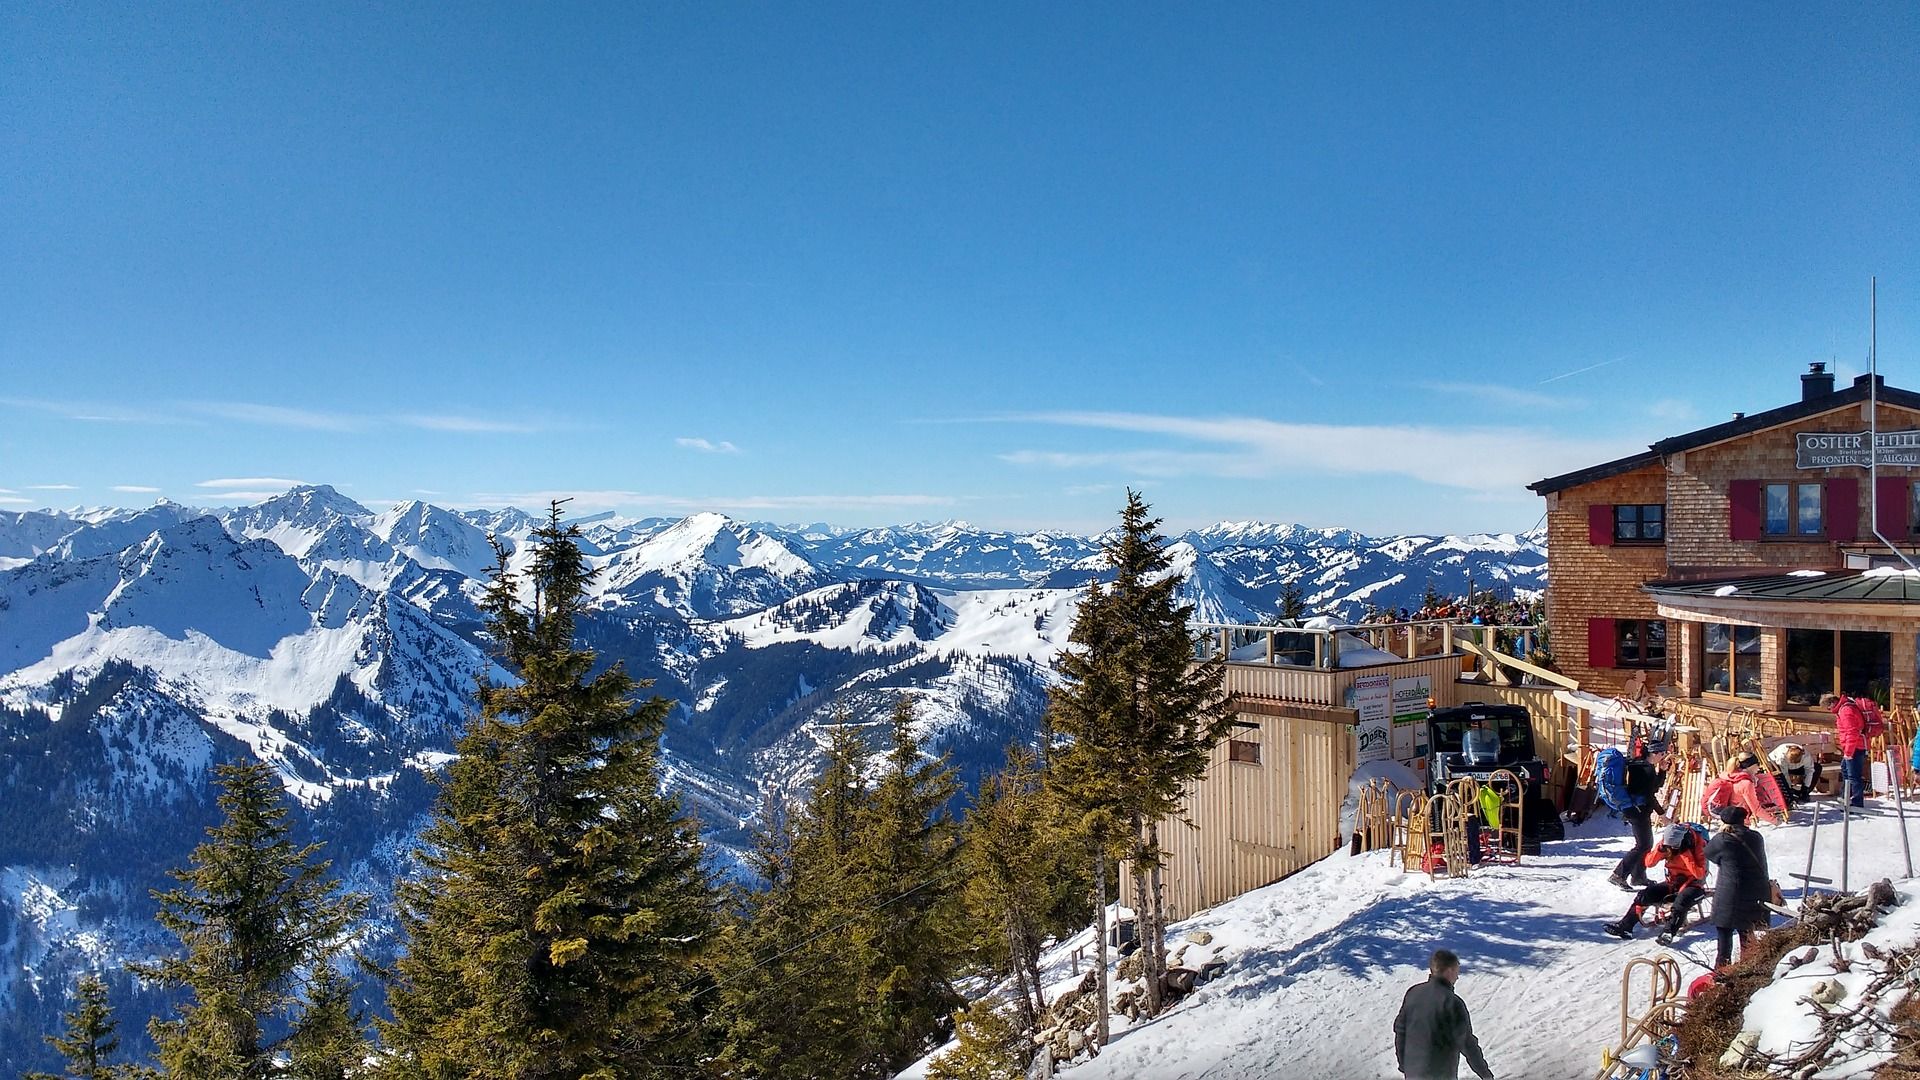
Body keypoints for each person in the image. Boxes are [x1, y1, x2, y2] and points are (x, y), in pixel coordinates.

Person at [1394, 948, 1495, 1080]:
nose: (1458, 976)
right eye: (1457, 971)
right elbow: (1467, 1044)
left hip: (1413, 1073)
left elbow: (1400, 1031)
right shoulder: (1452, 1003)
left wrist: (1403, 1064)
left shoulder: (1413, 993)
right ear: (1449, 971)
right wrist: (1486, 1075)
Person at [1604, 822, 1708, 945]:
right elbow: (1649, 863)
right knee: (1644, 895)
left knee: (1681, 902)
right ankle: (1625, 927)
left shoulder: (1697, 844)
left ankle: (1668, 933)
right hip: (1672, 882)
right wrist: (1659, 850)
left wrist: (1686, 855)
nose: (1671, 850)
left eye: (1673, 847)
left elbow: (1699, 874)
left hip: (1694, 884)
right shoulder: (1665, 844)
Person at [1705, 806, 1770, 970]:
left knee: (1725, 936)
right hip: (1755, 892)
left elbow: (1709, 854)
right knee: (1747, 935)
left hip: (1730, 893)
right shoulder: (1756, 837)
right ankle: (1748, 970)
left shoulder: (1722, 839)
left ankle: (1722, 972)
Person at [1608, 742, 1666, 890]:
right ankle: (1618, 874)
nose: (1663, 756)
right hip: (1637, 810)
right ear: (1654, 754)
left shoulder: (1640, 765)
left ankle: (1638, 876)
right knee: (1642, 845)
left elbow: (1653, 786)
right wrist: (1662, 814)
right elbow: (1649, 795)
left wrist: (1663, 771)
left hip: (1636, 809)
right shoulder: (1646, 769)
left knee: (1646, 844)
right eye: (1661, 753)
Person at [1827, 693, 1869, 808]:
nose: (1829, 710)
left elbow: (1851, 733)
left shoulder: (1846, 711)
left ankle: (1857, 803)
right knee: (1845, 770)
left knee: (1853, 776)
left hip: (1856, 747)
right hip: (1853, 747)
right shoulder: (1844, 708)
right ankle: (1845, 796)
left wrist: (1849, 752)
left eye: (1828, 707)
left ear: (1832, 703)